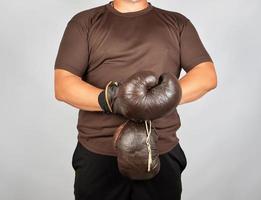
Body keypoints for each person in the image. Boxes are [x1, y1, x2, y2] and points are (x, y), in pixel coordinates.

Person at [54, 0, 217, 199]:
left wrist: (159, 98)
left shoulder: (177, 23)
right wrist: (114, 100)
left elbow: (206, 75)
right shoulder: (84, 22)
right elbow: (63, 85)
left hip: (160, 150)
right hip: (99, 153)